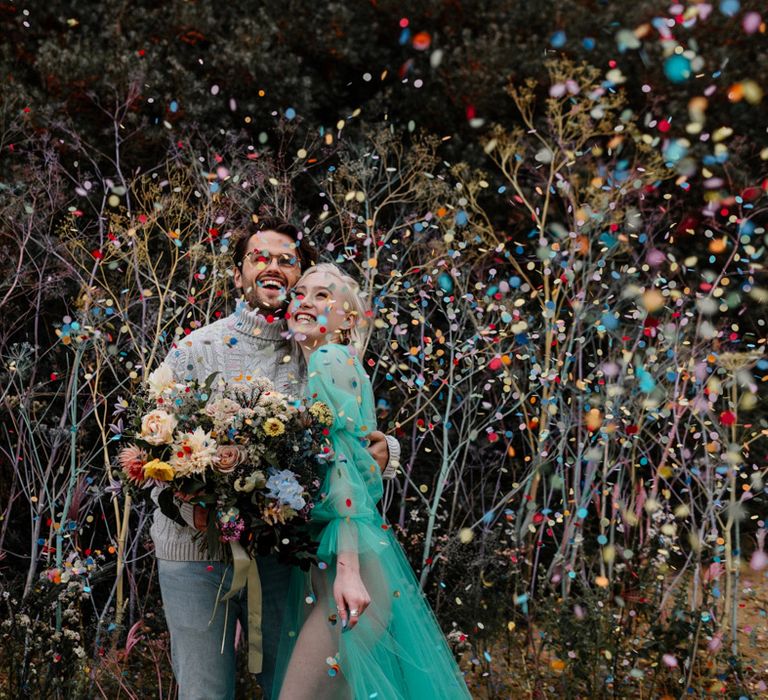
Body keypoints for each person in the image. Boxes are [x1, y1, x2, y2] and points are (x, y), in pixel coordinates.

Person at [150, 219, 401, 700]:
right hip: (194, 554)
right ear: (240, 275)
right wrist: (191, 505)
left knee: (287, 685)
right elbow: (148, 451)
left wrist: (386, 452)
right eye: (259, 257)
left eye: (287, 261)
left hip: (281, 558)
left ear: (297, 277)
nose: (273, 266)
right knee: (204, 692)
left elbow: (354, 438)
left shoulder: (314, 345)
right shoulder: (196, 348)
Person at [275, 263, 471, 699]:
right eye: (301, 292)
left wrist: (346, 573)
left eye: (323, 296)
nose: (305, 300)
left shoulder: (329, 358)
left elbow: (343, 468)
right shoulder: (332, 366)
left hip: (350, 574)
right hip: (340, 571)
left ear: (348, 320)